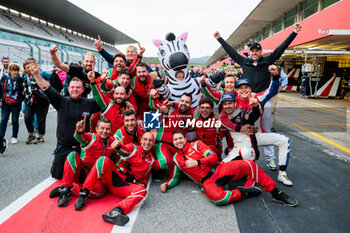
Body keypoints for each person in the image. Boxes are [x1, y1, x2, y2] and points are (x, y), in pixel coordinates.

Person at [160, 130, 298, 207]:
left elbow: (213, 158)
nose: (178, 141)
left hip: (219, 169)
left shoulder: (197, 144)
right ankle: (243, 192)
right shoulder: (176, 159)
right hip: (207, 182)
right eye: (175, 140)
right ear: (173, 142)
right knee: (218, 199)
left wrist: (197, 162)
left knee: (249, 164)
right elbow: (174, 177)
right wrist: (166, 184)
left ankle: (276, 192)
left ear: (185, 139)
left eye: (180, 138)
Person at [222, 66, 293, 186]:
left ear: (250, 88)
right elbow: (223, 119)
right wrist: (240, 129)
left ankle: (282, 173)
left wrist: (275, 76)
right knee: (224, 167)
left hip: (258, 135)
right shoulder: (233, 102)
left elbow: (272, 90)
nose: (244, 90)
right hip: (242, 141)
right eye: (241, 88)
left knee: (284, 140)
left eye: (246, 87)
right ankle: (248, 174)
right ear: (237, 90)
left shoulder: (257, 98)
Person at [30, 64, 100, 179]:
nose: (75, 90)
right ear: (68, 88)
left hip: (83, 147)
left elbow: (105, 100)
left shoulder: (90, 103)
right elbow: (47, 88)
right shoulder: (61, 101)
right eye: (72, 87)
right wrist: (37, 75)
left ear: (83, 89)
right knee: (57, 175)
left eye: (78, 87)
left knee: (83, 178)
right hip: (64, 146)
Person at [75, 132, 155, 226]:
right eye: (145, 139)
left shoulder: (152, 160)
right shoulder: (133, 147)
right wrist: (118, 147)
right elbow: (124, 150)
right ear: (141, 140)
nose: (147, 142)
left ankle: (116, 212)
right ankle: (82, 193)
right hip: (114, 176)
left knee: (142, 191)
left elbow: (145, 176)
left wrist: (144, 184)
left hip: (122, 186)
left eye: (150, 140)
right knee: (103, 160)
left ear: (153, 143)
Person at [50, 117, 116, 208]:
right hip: (82, 172)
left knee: (99, 192)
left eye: (107, 129)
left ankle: (69, 189)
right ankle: (65, 192)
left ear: (111, 130)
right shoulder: (91, 138)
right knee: (72, 155)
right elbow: (81, 137)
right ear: (96, 129)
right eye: (102, 128)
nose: (104, 131)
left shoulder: (113, 142)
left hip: (96, 176)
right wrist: (80, 132)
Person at [149, 93, 195, 170]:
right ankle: (145, 166)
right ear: (179, 101)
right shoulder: (170, 108)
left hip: (177, 146)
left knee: (190, 164)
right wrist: (152, 98)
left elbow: (202, 112)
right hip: (162, 143)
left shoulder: (192, 113)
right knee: (164, 162)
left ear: (190, 104)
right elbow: (154, 106)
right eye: (182, 101)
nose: (184, 103)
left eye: (187, 102)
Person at [88, 71, 133, 135]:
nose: (119, 96)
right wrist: (93, 82)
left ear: (126, 96)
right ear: (113, 95)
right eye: (117, 94)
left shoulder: (129, 109)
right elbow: (97, 95)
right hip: (105, 139)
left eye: (122, 94)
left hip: (120, 141)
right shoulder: (108, 104)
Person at [22, 59, 51, 144]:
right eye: (27, 68)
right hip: (30, 100)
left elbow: (50, 78)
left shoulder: (40, 74)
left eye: (30, 67)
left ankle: (41, 136)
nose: (29, 69)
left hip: (42, 99)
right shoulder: (25, 77)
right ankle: (31, 134)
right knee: (27, 117)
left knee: (40, 119)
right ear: (25, 69)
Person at [0, 64, 24, 153]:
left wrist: (20, 99)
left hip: (16, 103)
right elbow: (1, 88)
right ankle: (1, 136)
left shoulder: (21, 80)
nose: (16, 72)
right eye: (14, 71)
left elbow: (23, 91)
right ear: (10, 71)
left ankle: (14, 136)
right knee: (4, 119)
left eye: (17, 70)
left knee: (14, 120)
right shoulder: (5, 78)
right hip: (6, 101)